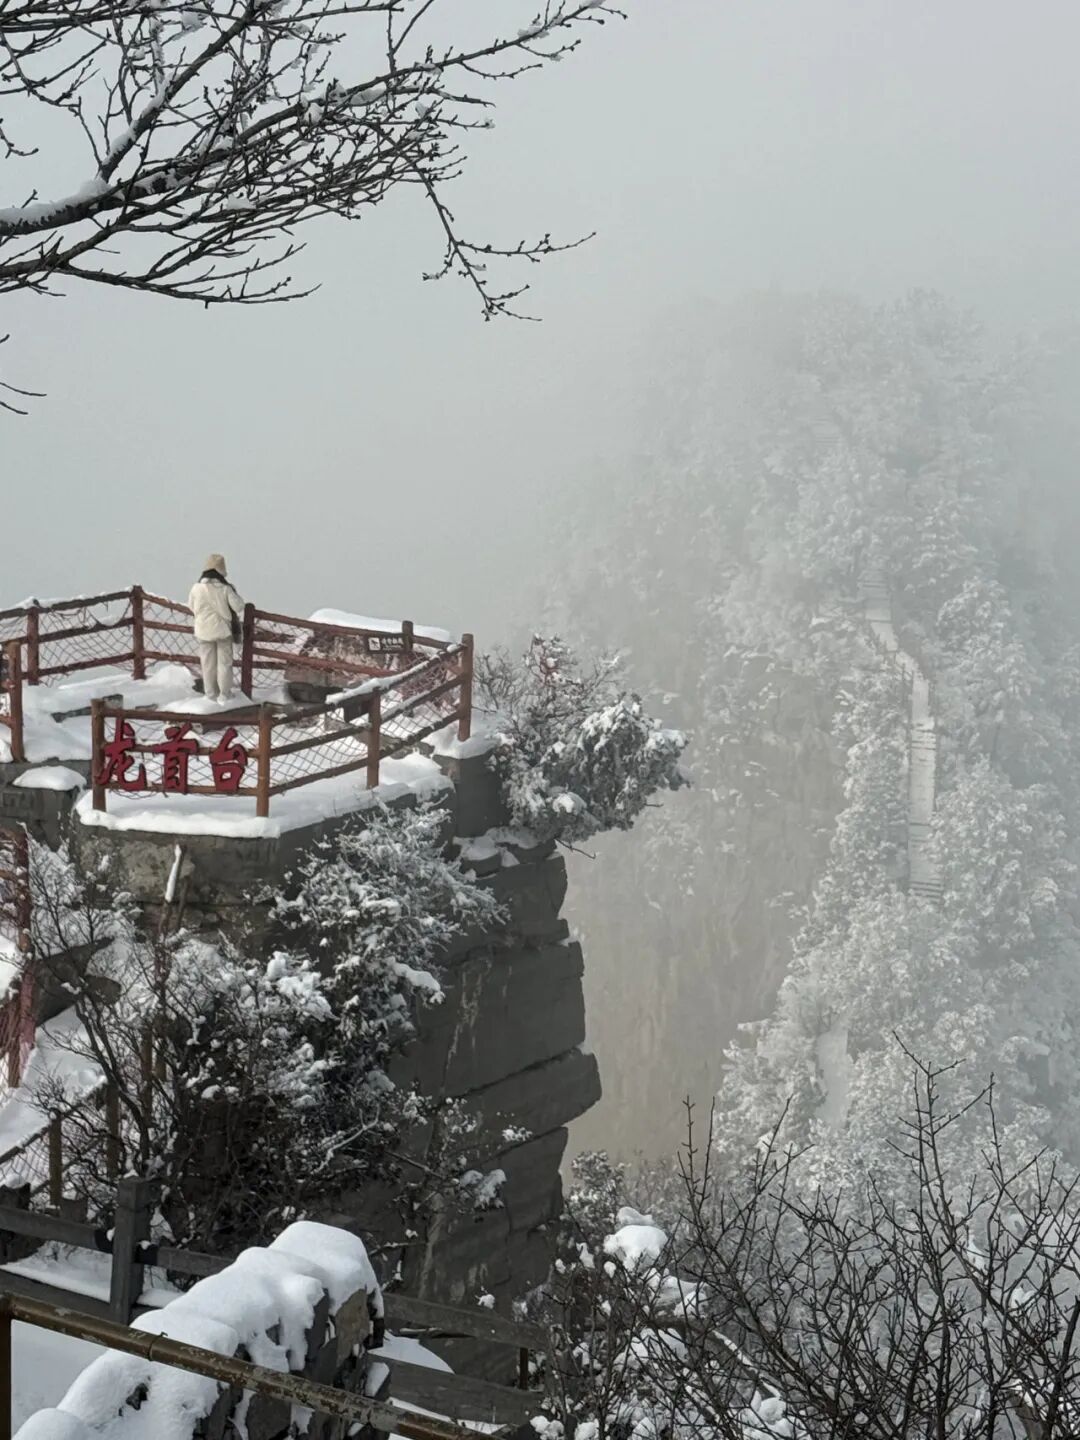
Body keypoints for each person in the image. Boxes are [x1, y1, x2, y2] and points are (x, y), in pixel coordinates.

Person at [188, 554, 244, 704]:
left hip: (203, 631)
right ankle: (225, 694)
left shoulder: (196, 588)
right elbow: (239, 606)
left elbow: (192, 607)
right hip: (222, 631)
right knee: (224, 664)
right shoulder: (225, 588)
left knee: (207, 664)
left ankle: (210, 694)